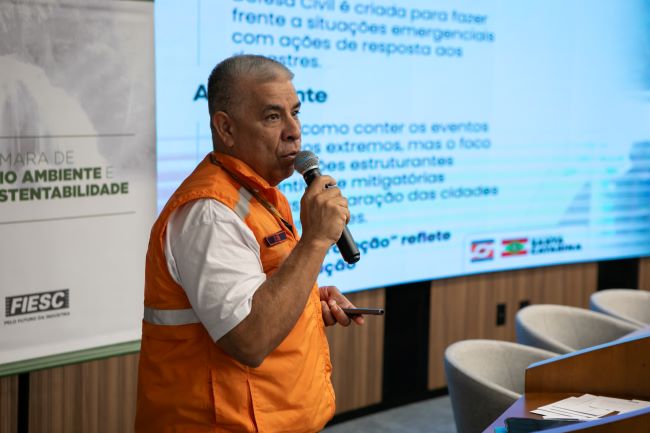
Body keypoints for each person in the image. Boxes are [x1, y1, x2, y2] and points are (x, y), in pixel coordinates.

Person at [135, 54, 363, 433]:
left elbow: (256, 295)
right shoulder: (210, 212)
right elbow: (249, 339)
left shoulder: (260, 195)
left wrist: (308, 301)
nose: (294, 131)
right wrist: (316, 240)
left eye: (295, 113)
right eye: (273, 117)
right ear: (226, 128)